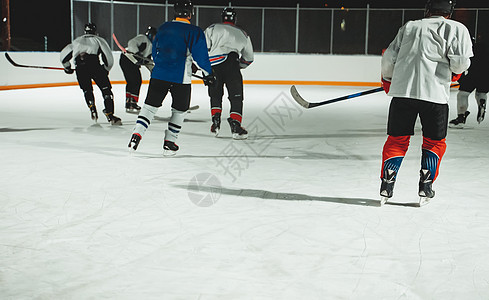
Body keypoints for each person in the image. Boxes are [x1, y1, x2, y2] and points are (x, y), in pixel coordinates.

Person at [379, 0, 472, 206]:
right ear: (450, 12)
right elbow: (462, 62)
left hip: (403, 93)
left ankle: (387, 183)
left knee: (396, 140)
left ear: (428, 10)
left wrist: (387, 79)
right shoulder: (457, 28)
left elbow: (389, 58)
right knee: (434, 142)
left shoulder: (410, 26)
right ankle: (426, 186)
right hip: (435, 95)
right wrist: (455, 72)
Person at [127, 0, 215, 155]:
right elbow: (201, 57)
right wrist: (208, 74)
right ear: (190, 13)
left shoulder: (164, 27)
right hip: (181, 79)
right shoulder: (195, 31)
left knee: (149, 107)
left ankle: (136, 135)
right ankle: (170, 142)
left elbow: (155, 52)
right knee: (180, 111)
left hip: (159, 74)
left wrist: (161, 64)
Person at [204, 7, 254, 139]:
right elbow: (249, 58)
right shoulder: (243, 33)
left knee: (215, 94)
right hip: (232, 64)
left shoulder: (212, 28)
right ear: (235, 19)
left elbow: (203, 49)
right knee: (236, 96)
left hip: (214, 65)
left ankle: (216, 121)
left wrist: (204, 69)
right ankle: (236, 126)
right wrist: (237, 67)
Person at [60, 23, 121, 125]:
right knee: (106, 90)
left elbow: (64, 56)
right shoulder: (99, 40)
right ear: (95, 31)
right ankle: (110, 114)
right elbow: (108, 57)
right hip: (95, 66)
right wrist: (106, 69)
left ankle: (92, 107)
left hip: (80, 68)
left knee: (87, 90)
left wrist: (67, 68)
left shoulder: (77, 41)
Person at [449, 36, 489, 128]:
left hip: (472, 73)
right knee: (481, 93)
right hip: (486, 74)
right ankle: (482, 102)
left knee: (463, 94)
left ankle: (461, 118)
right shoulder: (486, 48)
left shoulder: (469, 48)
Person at [119, 26, 157, 113]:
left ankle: (129, 102)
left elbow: (147, 61)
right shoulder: (143, 38)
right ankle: (133, 102)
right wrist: (136, 54)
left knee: (132, 82)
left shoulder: (151, 46)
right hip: (127, 59)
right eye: (154, 36)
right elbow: (131, 42)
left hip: (130, 62)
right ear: (150, 35)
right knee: (136, 81)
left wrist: (154, 70)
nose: (155, 38)